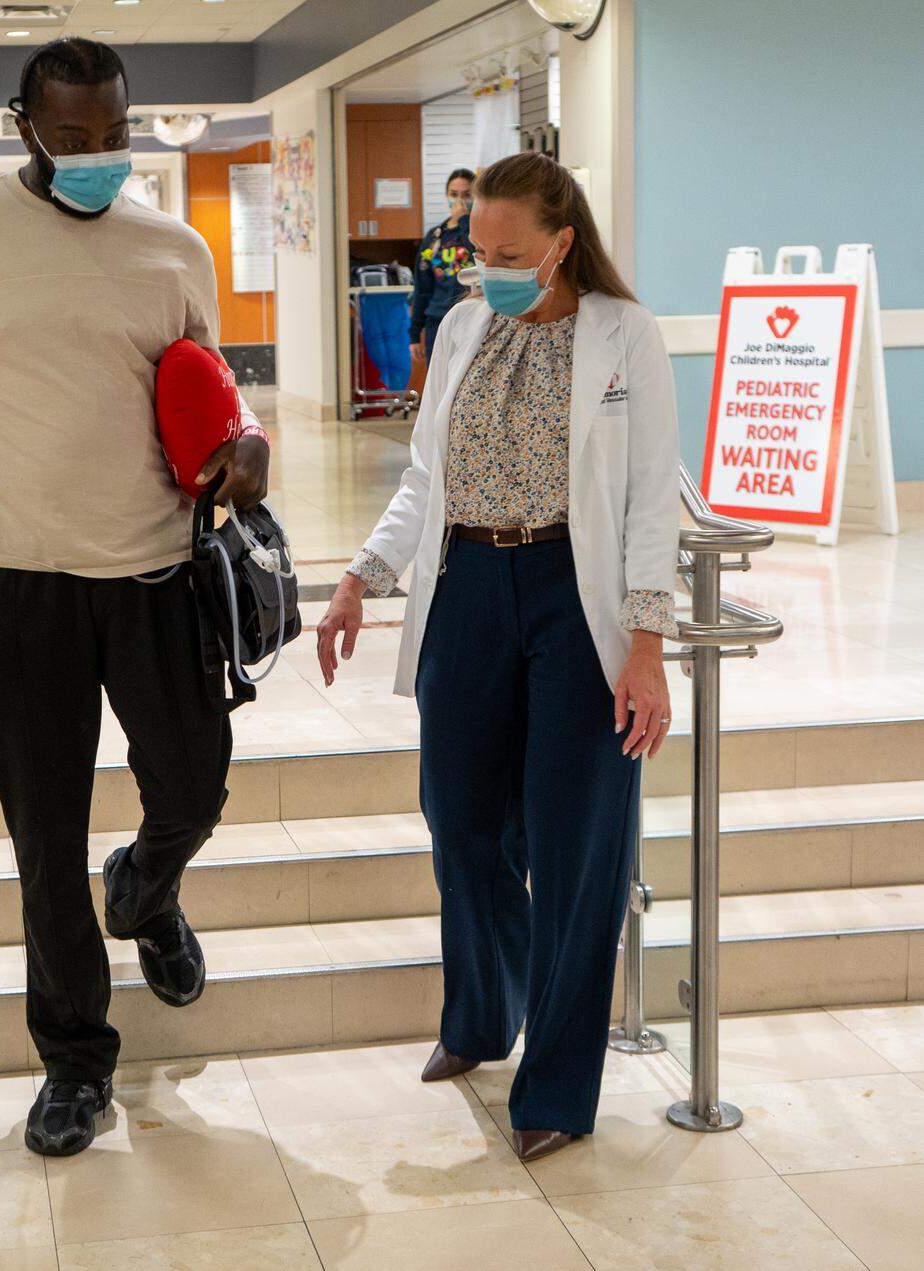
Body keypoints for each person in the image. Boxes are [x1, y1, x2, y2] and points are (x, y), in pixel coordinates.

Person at [0, 38, 271, 1157]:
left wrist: (248, 445)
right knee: (45, 836)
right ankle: (76, 1061)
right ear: (22, 123)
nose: (97, 156)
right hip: (15, 583)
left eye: (114, 135)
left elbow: (211, 395)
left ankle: (143, 887)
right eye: (73, 137)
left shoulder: (173, 245)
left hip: (152, 574)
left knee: (192, 784)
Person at [317, 151, 679, 1163]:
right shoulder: (462, 325)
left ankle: (557, 1083)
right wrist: (361, 577)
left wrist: (645, 649)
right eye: (479, 251)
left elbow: (652, 500)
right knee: (461, 821)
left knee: (574, 844)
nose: (488, 270)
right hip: (469, 589)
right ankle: (479, 1016)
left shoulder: (624, 336)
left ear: (563, 244)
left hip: (578, 598)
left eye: (509, 253)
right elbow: (425, 478)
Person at [409, 168, 475, 365]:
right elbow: (422, 287)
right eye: (454, 195)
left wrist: (465, 221)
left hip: (470, 320)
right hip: (437, 320)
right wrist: (414, 333)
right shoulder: (434, 237)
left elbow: (479, 254)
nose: (459, 201)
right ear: (446, 196)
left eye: (466, 195)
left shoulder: (479, 232)